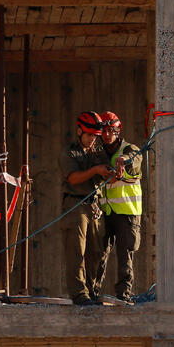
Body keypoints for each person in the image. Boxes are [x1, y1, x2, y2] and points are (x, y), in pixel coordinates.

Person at [60, 111, 111, 305]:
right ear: (79, 131)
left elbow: (108, 174)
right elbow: (73, 178)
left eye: (95, 136)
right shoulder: (69, 152)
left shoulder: (98, 152)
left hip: (94, 205)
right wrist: (96, 170)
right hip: (75, 205)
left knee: (97, 251)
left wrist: (115, 171)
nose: (92, 139)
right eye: (89, 135)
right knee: (77, 252)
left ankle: (92, 291)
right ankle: (79, 294)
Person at [93, 111, 143, 302]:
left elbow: (134, 162)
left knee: (125, 256)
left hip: (127, 213)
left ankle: (124, 295)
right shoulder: (98, 154)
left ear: (118, 130)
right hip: (106, 212)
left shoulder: (130, 150)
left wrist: (124, 162)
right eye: (103, 131)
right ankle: (93, 293)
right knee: (99, 254)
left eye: (110, 131)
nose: (106, 135)